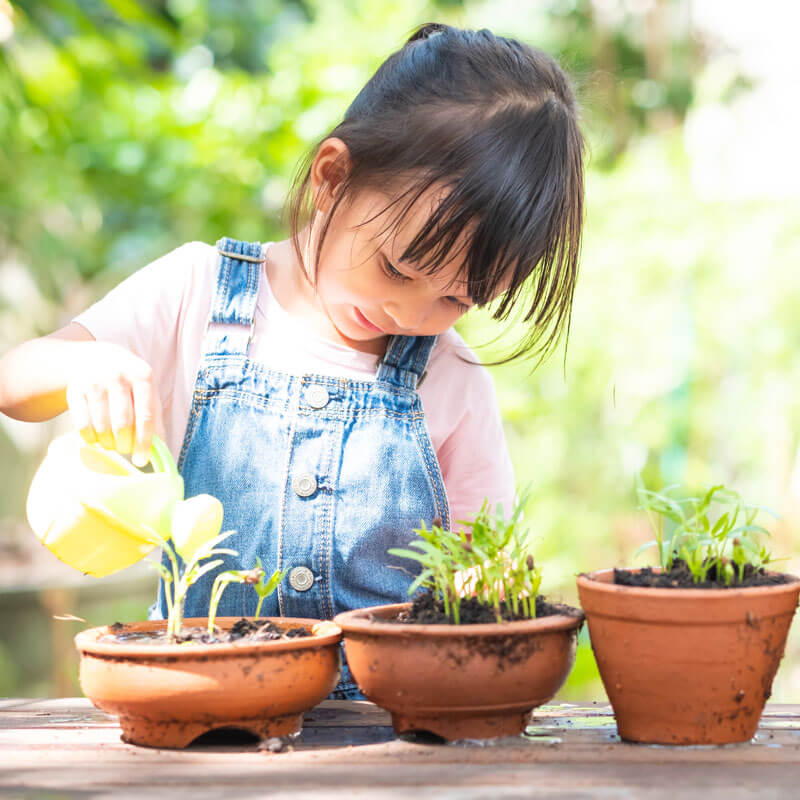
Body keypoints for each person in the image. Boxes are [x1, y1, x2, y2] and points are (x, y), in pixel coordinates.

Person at [0, 22, 584, 696]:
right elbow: (14, 380)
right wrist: (84, 364)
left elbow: (483, 574)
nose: (411, 315)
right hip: (199, 705)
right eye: (396, 266)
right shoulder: (197, 291)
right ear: (333, 177)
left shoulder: (451, 379)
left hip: (383, 735)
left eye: (457, 297)